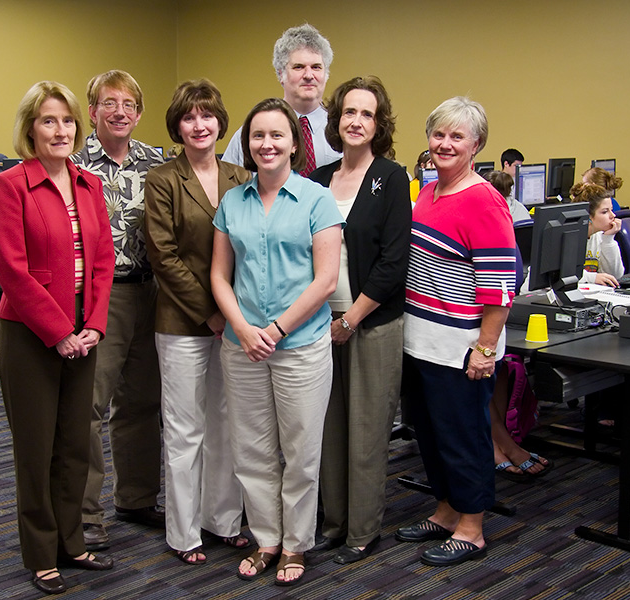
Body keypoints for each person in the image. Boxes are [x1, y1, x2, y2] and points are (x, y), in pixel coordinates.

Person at [0, 81, 115, 595]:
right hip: (31, 338)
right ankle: (41, 553)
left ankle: (72, 540)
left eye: (66, 121)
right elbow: (11, 271)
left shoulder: (88, 183)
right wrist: (59, 332)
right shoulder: (9, 186)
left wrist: (94, 326)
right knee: (36, 450)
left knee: (74, 447)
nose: (60, 131)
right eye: (48, 121)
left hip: (84, 335)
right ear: (30, 130)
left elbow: (103, 262)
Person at [211, 98, 343, 587]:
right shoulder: (233, 202)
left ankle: (295, 545)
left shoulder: (316, 199)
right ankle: (267, 538)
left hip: (301, 347)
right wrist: (243, 329)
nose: (267, 144)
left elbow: (326, 280)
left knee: (301, 452)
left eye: (276, 135)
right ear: (247, 144)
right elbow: (219, 277)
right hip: (242, 347)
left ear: (294, 143)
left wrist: (277, 329)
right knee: (252, 450)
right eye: (257, 136)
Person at [397, 97, 516, 567]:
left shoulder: (484, 200)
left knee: (463, 436)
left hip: (460, 349)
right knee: (430, 433)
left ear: (476, 145)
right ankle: (446, 510)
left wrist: (485, 348)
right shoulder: (428, 190)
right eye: (438, 135)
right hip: (420, 342)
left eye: (457, 137)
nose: (444, 144)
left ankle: (471, 527)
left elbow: (499, 285)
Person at [144, 79, 251, 565]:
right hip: (183, 323)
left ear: (219, 123)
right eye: (189, 117)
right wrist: (210, 312)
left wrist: (231, 315)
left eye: (207, 116)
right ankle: (183, 533)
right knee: (185, 430)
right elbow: (163, 257)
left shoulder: (241, 176)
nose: (199, 124)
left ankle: (223, 520)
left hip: (234, 323)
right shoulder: (163, 179)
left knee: (226, 425)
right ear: (178, 126)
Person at [308, 76, 411, 564]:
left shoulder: (390, 178)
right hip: (319, 326)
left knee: (367, 430)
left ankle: (362, 532)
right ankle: (334, 522)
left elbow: (395, 261)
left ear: (378, 124)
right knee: (329, 428)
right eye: (349, 111)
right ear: (336, 119)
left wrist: (350, 319)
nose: (356, 121)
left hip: (370, 324)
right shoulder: (318, 178)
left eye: (367, 114)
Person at [70, 69, 166, 551]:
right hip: (98, 297)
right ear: (92, 112)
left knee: (143, 402)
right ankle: (85, 513)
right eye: (109, 103)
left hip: (152, 293)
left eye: (129, 104)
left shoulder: (157, 161)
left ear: (139, 112)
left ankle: (137, 497)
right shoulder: (72, 164)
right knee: (90, 406)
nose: (120, 112)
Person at [484, 170, 553, 482]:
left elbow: (510, 273)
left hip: (494, 312)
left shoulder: (502, 224)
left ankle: (503, 440)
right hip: (463, 320)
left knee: (497, 370)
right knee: (476, 380)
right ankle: (496, 443)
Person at [221, 24, 340, 175]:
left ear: (326, 74)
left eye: (316, 67)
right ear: (281, 74)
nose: (309, 75)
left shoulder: (342, 130)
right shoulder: (252, 133)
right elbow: (227, 186)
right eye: (298, 67)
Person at [570, 181, 624, 287]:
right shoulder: (567, 237)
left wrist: (608, 239)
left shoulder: (600, 237)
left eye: (611, 210)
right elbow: (557, 277)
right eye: (605, 212)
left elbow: (615, 275)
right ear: (587, 216)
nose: (613, 215)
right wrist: (592, 278)